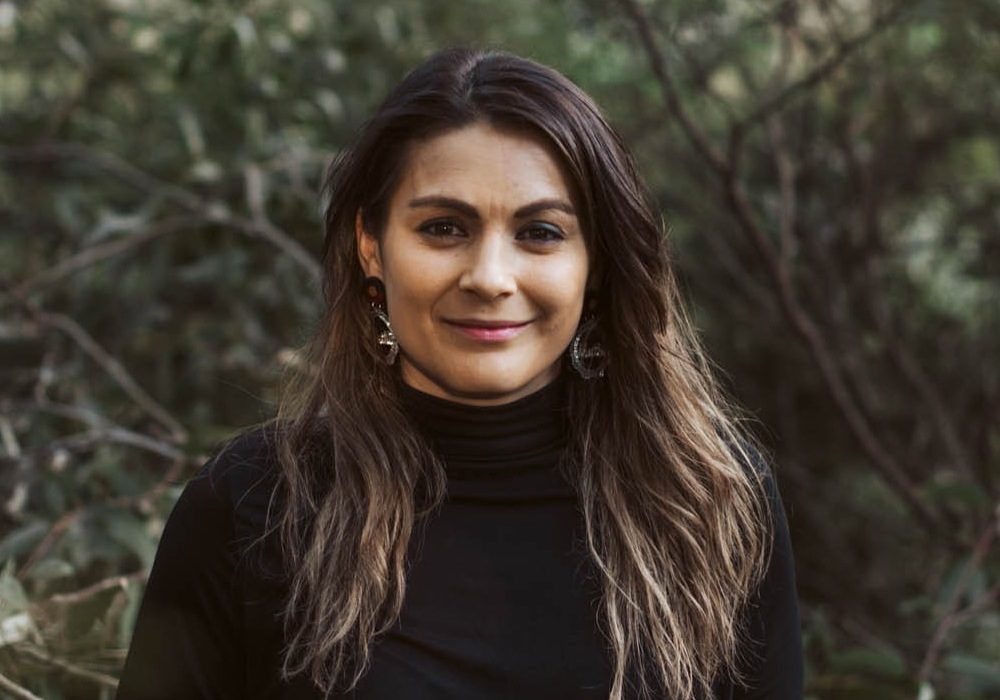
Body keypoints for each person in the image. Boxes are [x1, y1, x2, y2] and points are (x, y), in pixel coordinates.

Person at [115, 47, 803, 700]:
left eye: (540, 232)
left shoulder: (708, 502)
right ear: (370, 246)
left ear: (596, 265)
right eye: (444, 228)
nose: (490, 278)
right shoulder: (253, 506)